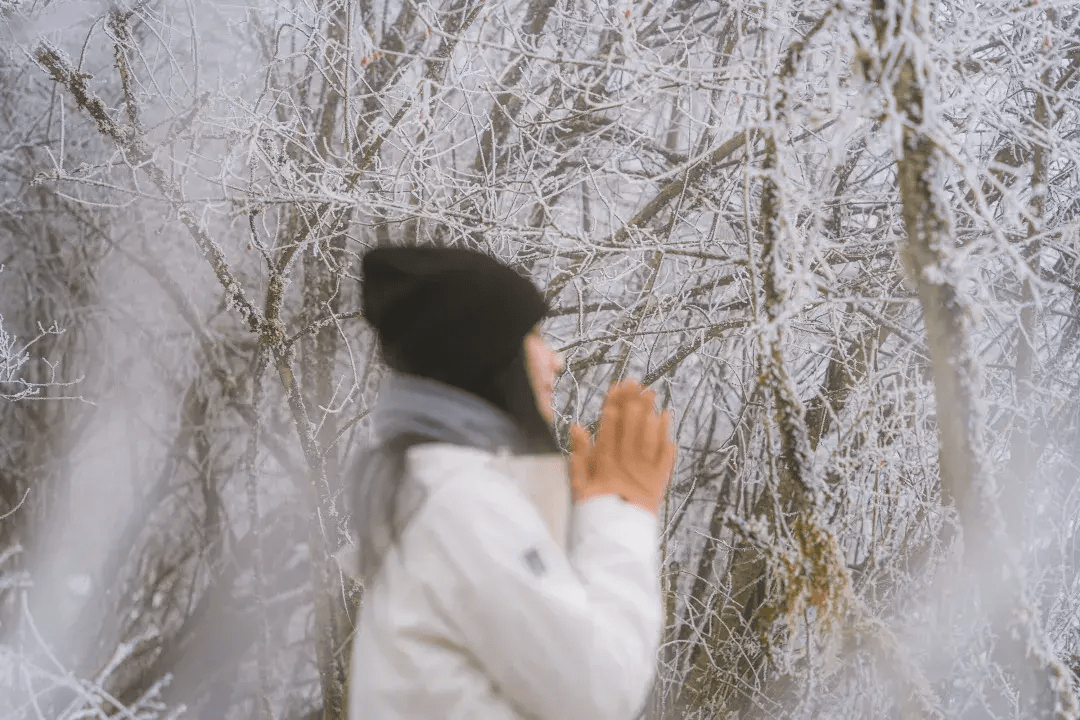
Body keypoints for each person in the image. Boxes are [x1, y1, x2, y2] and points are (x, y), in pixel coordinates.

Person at [347, 246, 677, 720]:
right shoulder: (460, 505)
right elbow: (596, 692)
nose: (556, 361)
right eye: (535, 336)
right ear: (486, 355)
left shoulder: (432, 489)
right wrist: (620, 512)